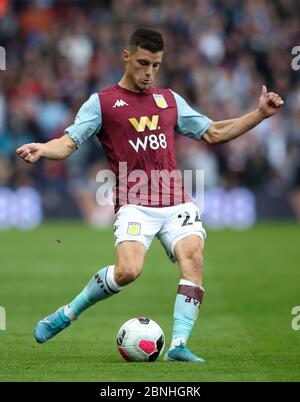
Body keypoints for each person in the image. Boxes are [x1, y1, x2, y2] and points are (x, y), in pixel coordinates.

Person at [16, 28, 284, 362]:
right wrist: (43, 148)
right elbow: (68, 143)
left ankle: (178, 346)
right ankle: (68, 313)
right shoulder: (102, 103)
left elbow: (213, 132)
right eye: (143, 63)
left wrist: (259, 114)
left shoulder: (169, 101)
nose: (149, 72)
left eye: (155, 65)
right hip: (135, 204)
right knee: (128, 270)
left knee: (194, 258)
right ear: (126, 57)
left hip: (176, 201)